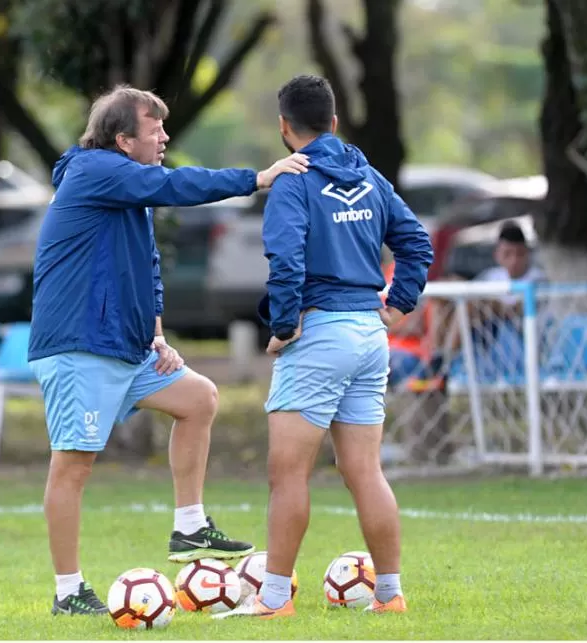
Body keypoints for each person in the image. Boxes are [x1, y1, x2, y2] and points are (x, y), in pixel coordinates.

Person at [27, 84, 310, 616]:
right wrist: (257, 177)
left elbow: (148, 265)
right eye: (154, 127)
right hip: (79, 344)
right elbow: (178, 183)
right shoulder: (95, 170)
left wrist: (155, 332)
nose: (165, 135)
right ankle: (68, 592)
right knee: (74, 466)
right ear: (122, 138)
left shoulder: (128, 188)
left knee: (199, 398)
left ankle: (189, 527)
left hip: (124, 344)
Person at [215, 75, 433, 620]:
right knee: (366, 471)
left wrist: (284, 326)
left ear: (285, 128)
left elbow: (285, 261)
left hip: (320, 335)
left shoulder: (292, 182)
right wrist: (397, 303)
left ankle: (272, 601)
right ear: (334, 122)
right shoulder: (370, 176)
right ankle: (389, 595)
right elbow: (416, 243)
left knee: (287, 475)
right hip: (369, 335)